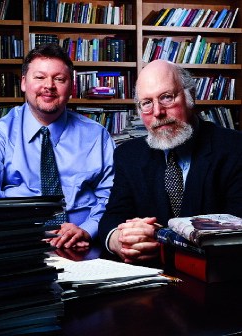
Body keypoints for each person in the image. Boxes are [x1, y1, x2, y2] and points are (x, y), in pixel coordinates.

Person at [98, 59, 242, 264]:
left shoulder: (234, 148)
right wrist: (119, 240)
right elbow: (113, 217)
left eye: (166, 97)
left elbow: (235, 231)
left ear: (190, 96)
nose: (158, 112)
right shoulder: (128, 155)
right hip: (148, 279)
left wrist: (161, 238)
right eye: (147, 103)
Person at [0, 43, 115, 248]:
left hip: (82, 245)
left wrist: (87, 229)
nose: (49, 86)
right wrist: (23, 233)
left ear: (71, 86)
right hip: (19, 244)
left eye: (59, 79)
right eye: (40, 77)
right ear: (24, 83)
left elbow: (111, 195)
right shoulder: (1, 134)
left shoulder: (96, 135)